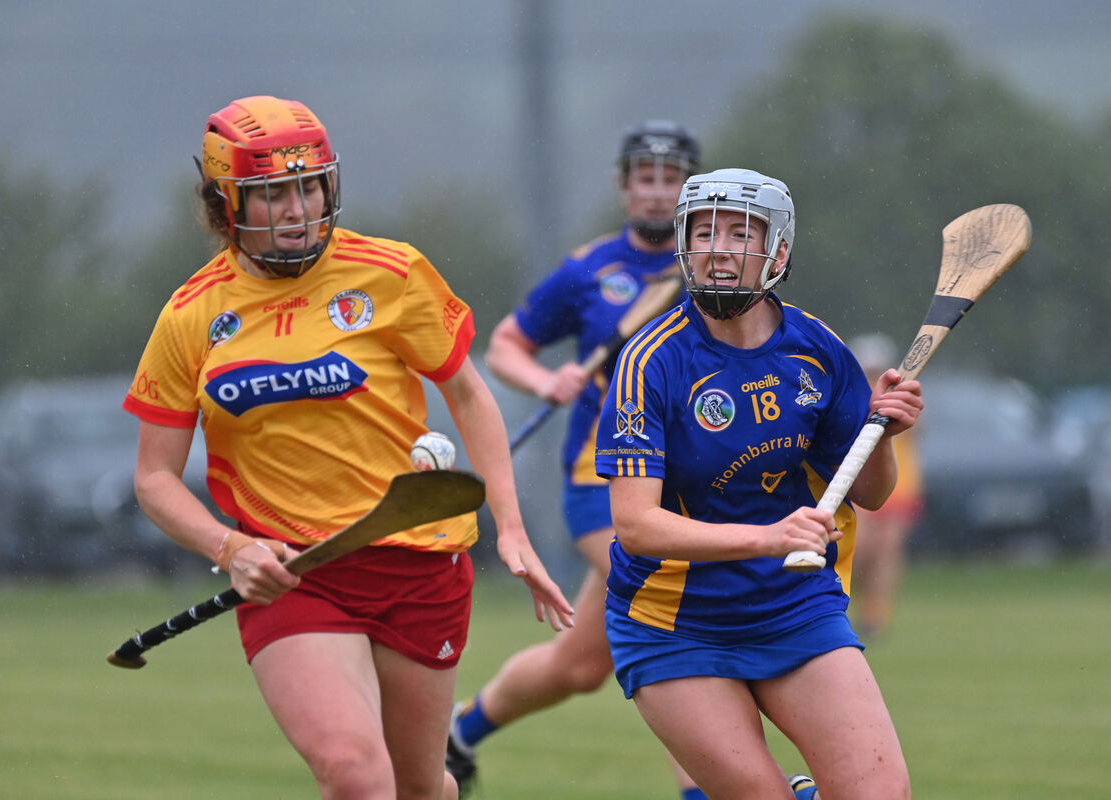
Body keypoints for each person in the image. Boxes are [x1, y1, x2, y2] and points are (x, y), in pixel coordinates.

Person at [123, 95, 574, 800]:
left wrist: (511, 528)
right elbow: (153, 478)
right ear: (224, 202)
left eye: (309, 186)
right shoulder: (190, 316)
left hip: (419, 567)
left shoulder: (390, 273)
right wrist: (229, 547)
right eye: (272, 194)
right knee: (357, 776)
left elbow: (470, 397)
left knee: (421, 787)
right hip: (296, 576)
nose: (298, 208)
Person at [594, 168, 922, 800]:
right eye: (703, 231)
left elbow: (873, 494)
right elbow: (636, 526)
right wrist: (767, 538)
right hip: (673, 624)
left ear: (778, 252)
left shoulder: (817, 350)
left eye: (741, 232)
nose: (718, 247)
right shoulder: (649, 362)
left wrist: (882, 431)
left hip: (793, 606)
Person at [447, 121, 708, 799]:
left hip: (689, 487)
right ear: (624, 188)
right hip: (603, 482)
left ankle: (460, 733)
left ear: (691, 188)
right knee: (681, 613)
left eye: (671, 180)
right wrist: (545, 382)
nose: (657, 194)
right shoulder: (590, 270)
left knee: (580, 664)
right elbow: (505, 344)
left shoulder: (718, 266)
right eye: (644, 180)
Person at [848, 333, 924, 640]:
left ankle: (876, 615)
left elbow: (918, 433)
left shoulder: (898, 393)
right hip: (861, 481)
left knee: (887, 552)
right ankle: (846, 605)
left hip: (902, 484)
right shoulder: (852, 396)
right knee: (861, 550)